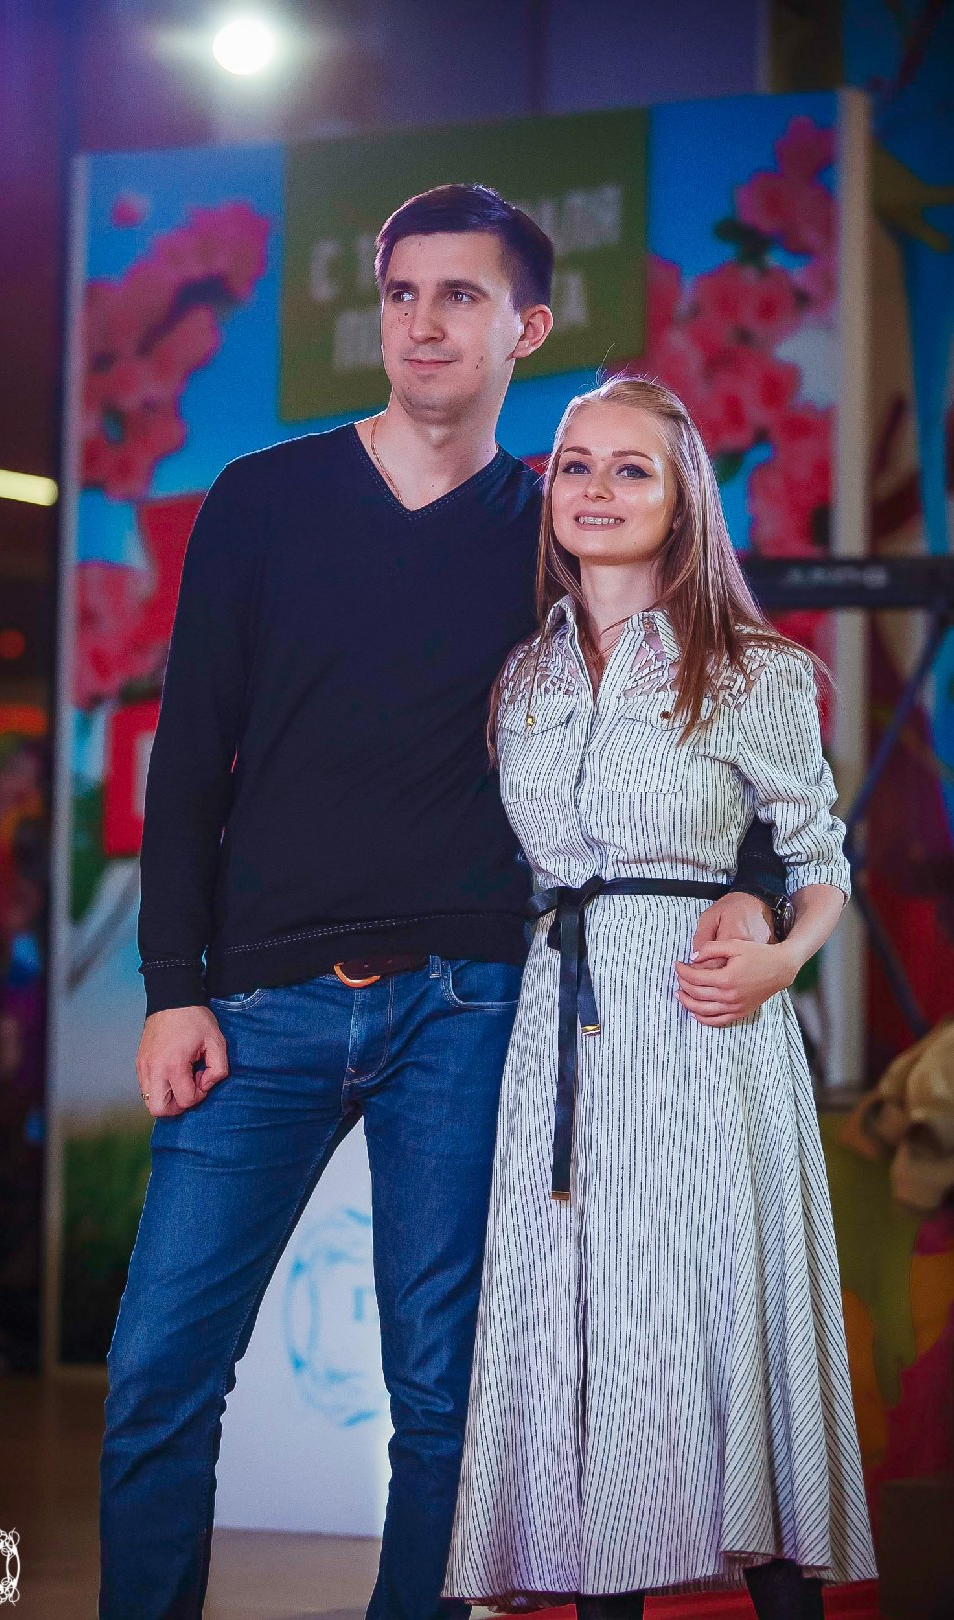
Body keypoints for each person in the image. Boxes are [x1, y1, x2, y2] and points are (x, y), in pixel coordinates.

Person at [98, 187, 787, 1620]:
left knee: (445, 1395)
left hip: (472, 1009)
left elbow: (717, 695)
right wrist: (173, 985)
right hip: (258, 1004)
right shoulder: (262, 500)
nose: (423, 322)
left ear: (527, 326)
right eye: (403, 292)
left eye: (461, 295)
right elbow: (189, 753)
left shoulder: (554, 528)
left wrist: (750, 884)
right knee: (159, 1374)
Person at [444, 377, 877, 1619]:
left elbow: (819, 859)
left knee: (718, 1316)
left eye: (631, 468)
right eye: (576, 465)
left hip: (705, 1027)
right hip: (561, 1024)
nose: (597, 488)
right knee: (583, 1328)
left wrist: (783, 952)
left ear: (685, 499)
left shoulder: (751, 669)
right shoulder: (520, 677)